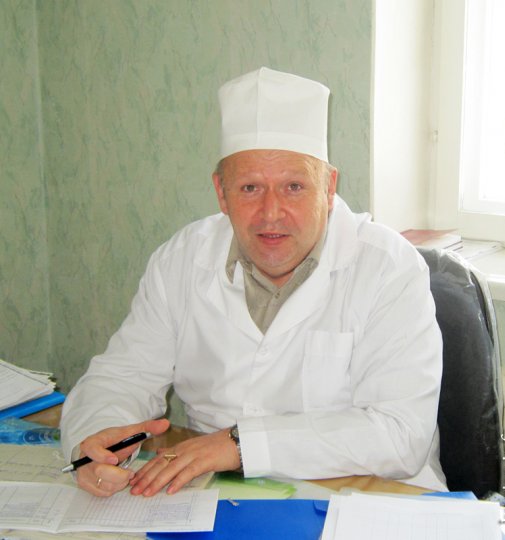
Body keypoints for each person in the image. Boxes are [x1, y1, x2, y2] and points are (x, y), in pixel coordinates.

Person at [60, 67, 447, 498]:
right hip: (215, 496)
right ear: (221, 193)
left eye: (294, 186)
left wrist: (240, 445)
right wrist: (97, 441)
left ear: (329, 187)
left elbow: (399, 434)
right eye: (249, 188)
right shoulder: (182, 258)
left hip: (369, 500)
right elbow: (123, 376)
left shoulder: (389, 268)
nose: (271, 213)